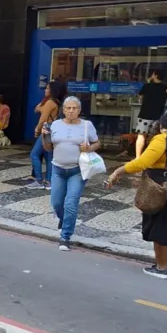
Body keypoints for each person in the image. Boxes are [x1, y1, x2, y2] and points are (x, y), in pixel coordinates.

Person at [107, 107, 167, 280]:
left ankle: (161, 267)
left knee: (161, 225)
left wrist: (119, 171)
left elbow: (142, 162)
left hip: (163, 183)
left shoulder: (162, 140)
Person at [41, 97, 100, 251]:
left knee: (71, 203)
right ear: (64, 110)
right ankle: (63, 220)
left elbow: (97, 143)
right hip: (58, 169)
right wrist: (44, 136)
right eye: (68, 108)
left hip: (77, 170)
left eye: (74, 108)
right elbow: (48, 148)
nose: (71, 111)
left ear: (79, 110)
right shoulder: (55, 124)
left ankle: (65, 236)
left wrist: (89, 148)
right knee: (56, 203)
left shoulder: (87, 125)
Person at [27, 81, 62, 190]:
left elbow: (43, 118)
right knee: (48, 157)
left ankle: (38, 180)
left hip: (47, 128)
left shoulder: (49, 102)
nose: (45, 90)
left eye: (47, 88)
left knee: (34, 154)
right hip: (53, 128)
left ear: (52, 91)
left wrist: (37, 130)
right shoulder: (55, 102)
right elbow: (37, 109)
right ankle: (48, 181)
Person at [135, 70, 166, 158]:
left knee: (141, 136)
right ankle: (150, 157)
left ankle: (138, 157)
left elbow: (140, 94)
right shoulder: (164, 87)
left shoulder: (148, 86)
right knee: (153, 137)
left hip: (144, 114)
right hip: (157, 115)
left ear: (155, 75)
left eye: (152, 74)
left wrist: (148, 82)